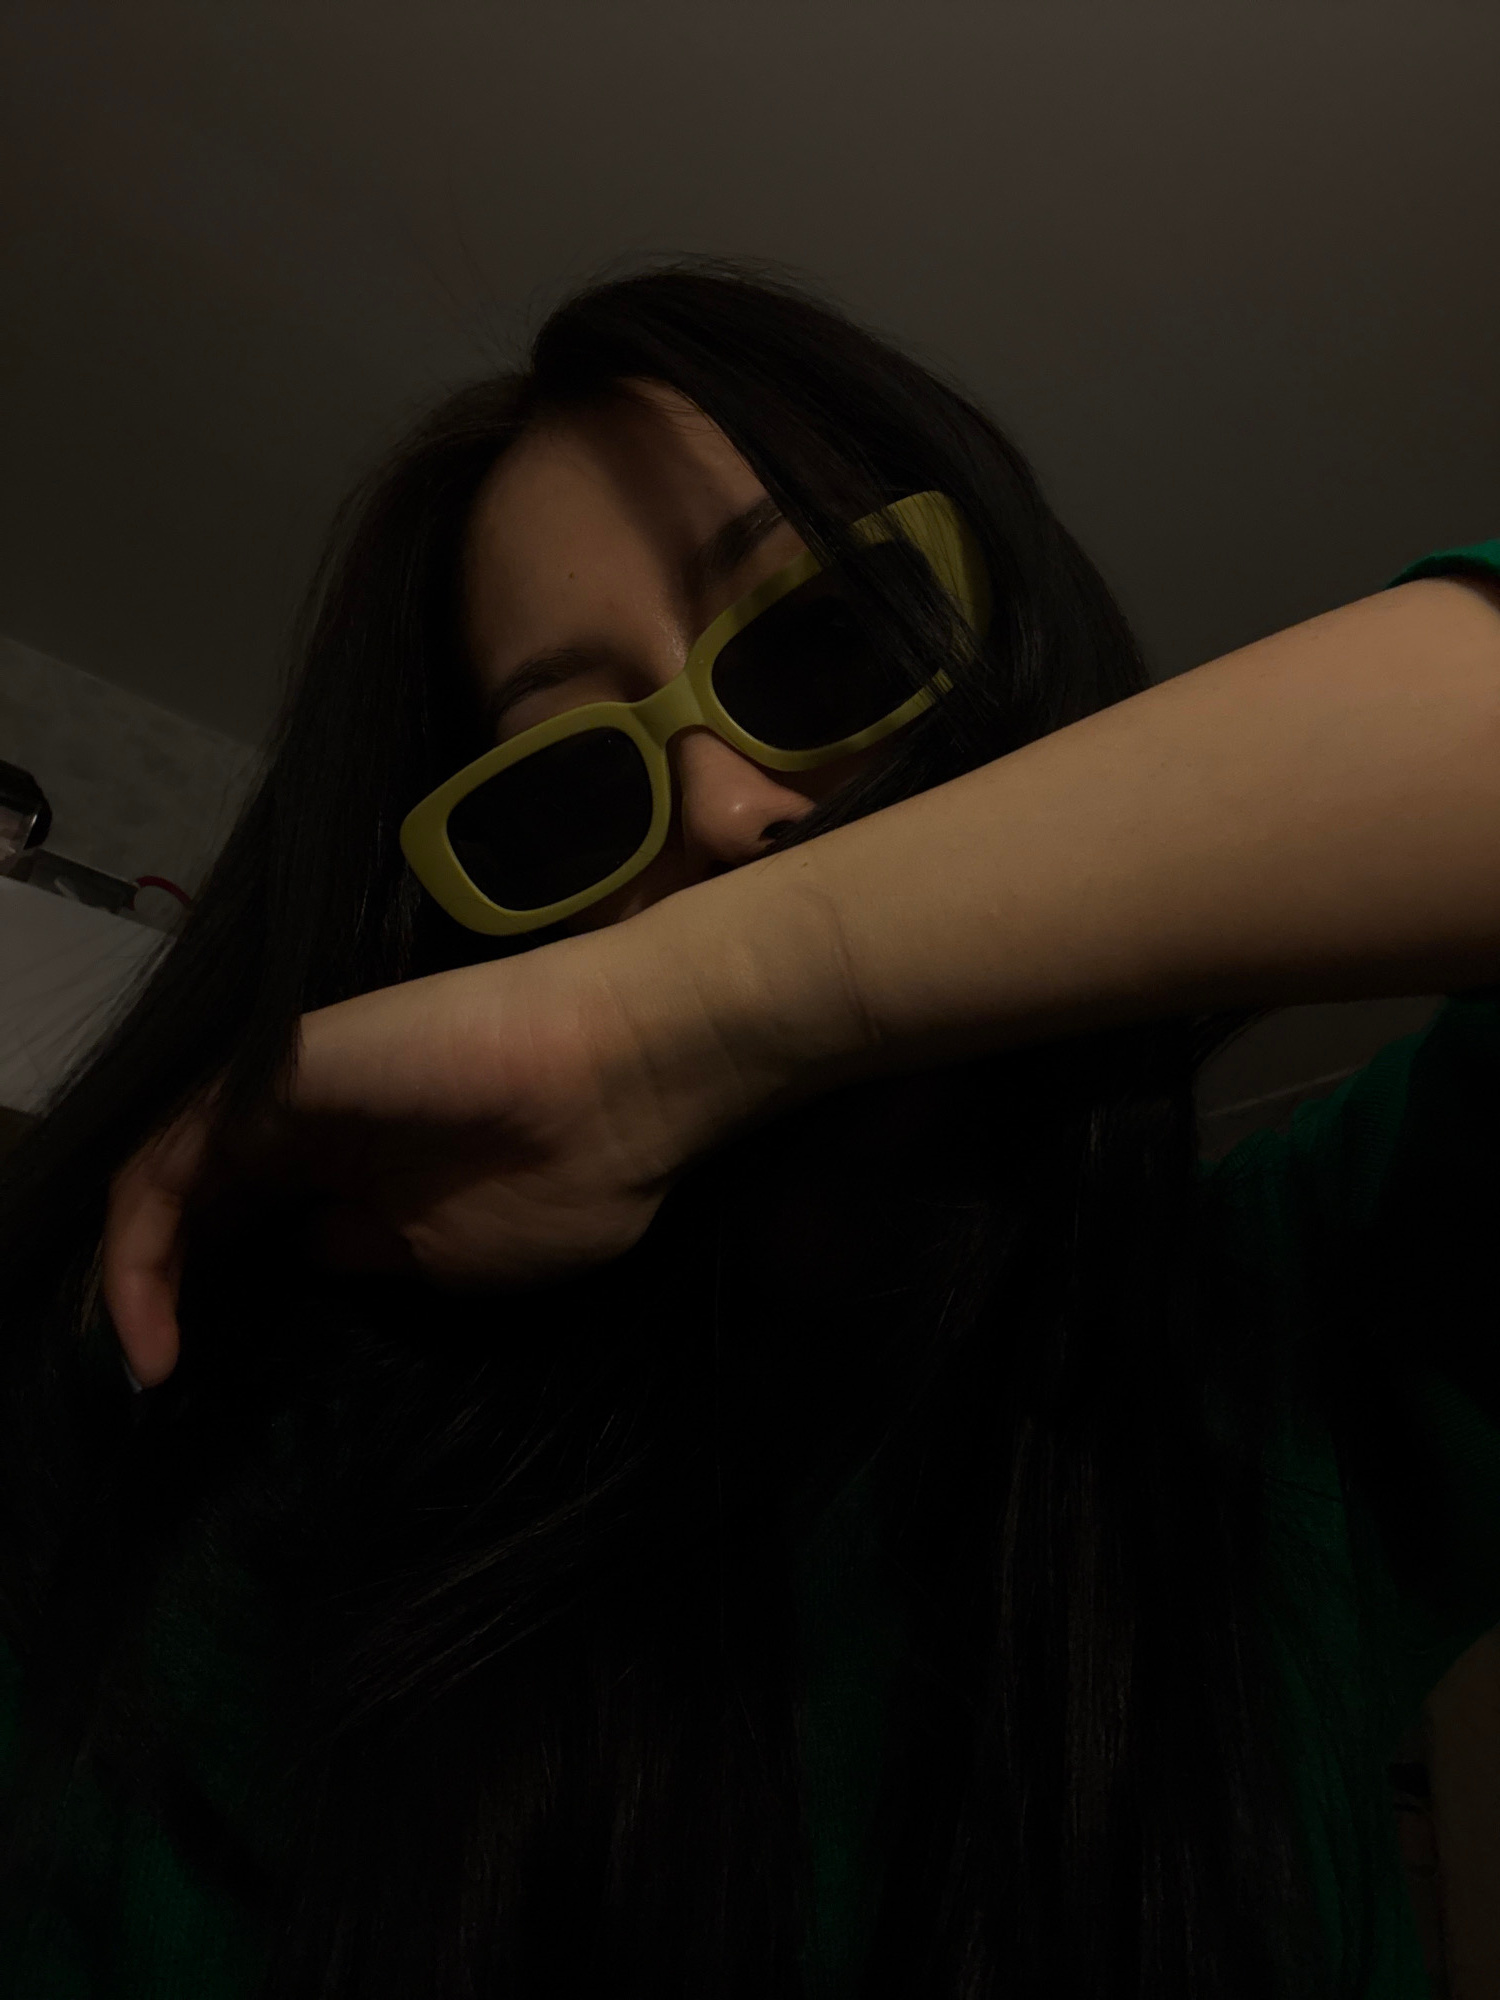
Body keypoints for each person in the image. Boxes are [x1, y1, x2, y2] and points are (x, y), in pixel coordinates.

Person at [1, 262, 1498, 2000]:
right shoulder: (239, 1547)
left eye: (825, 636)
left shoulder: (1286, 1355)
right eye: (570, 788)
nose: (721, 807)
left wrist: (678, 1017)